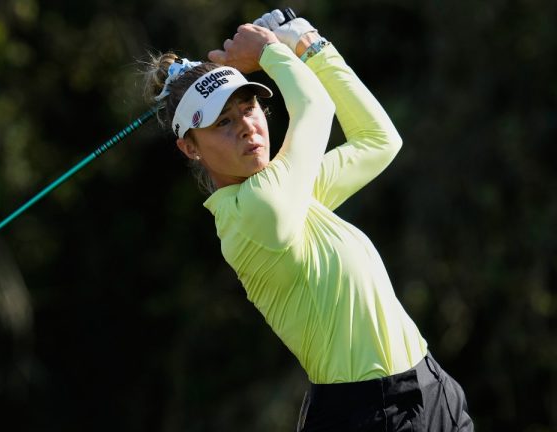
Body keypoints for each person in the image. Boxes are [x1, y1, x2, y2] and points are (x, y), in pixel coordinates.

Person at [142, 10, 474, 432]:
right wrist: (274, 51)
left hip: (432, 390)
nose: (248, 127)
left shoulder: (292, 192)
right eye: (224, 122)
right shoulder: (253, 215)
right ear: (190, 148)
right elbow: (316, 106)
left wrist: (310, 43)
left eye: (249, 108)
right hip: (366, 415)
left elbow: (379, 141)